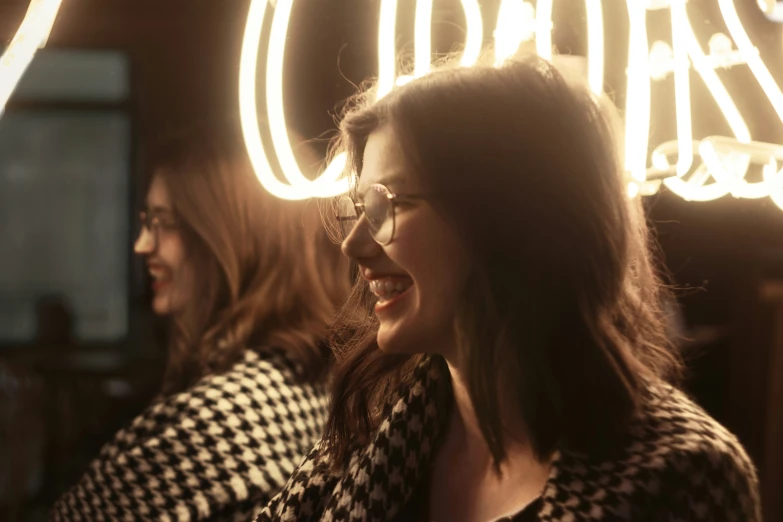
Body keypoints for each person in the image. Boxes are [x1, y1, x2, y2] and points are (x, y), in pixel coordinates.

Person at [257, 53, 762, 521]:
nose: (353, 246)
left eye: (389, 205)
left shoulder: (683, 475)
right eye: (361, 208)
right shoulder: (370, 431)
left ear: (509, 220)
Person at [51, 124, 350, 521]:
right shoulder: (319, 383)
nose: (143, 244)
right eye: (145, 220)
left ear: (233, 236)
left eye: (164, 222)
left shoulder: (221, 420)